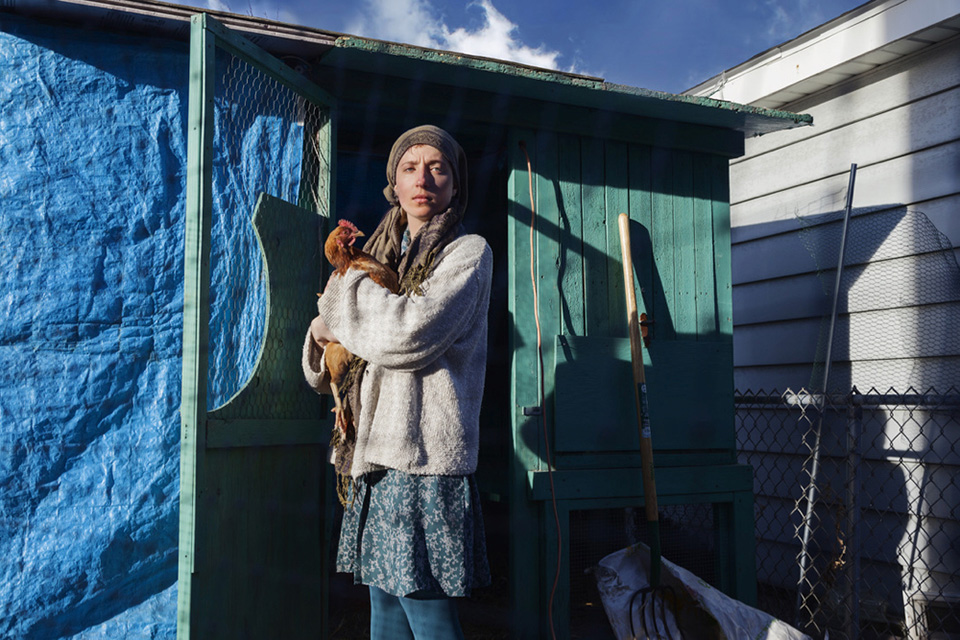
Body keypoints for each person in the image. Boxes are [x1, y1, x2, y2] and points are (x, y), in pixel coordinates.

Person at [301, 125, 493, 639]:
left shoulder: (467, 253)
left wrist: (339, 307)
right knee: (384, 611)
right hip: (375, 452)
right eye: (410, 167)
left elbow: (409, 332)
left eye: (438, 168)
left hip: (425, 457)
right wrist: (327, 331)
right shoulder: (384, 253)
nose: (423, 178)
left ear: (455, 184)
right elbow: (337, 350)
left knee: (425, 609)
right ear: (394, 182)